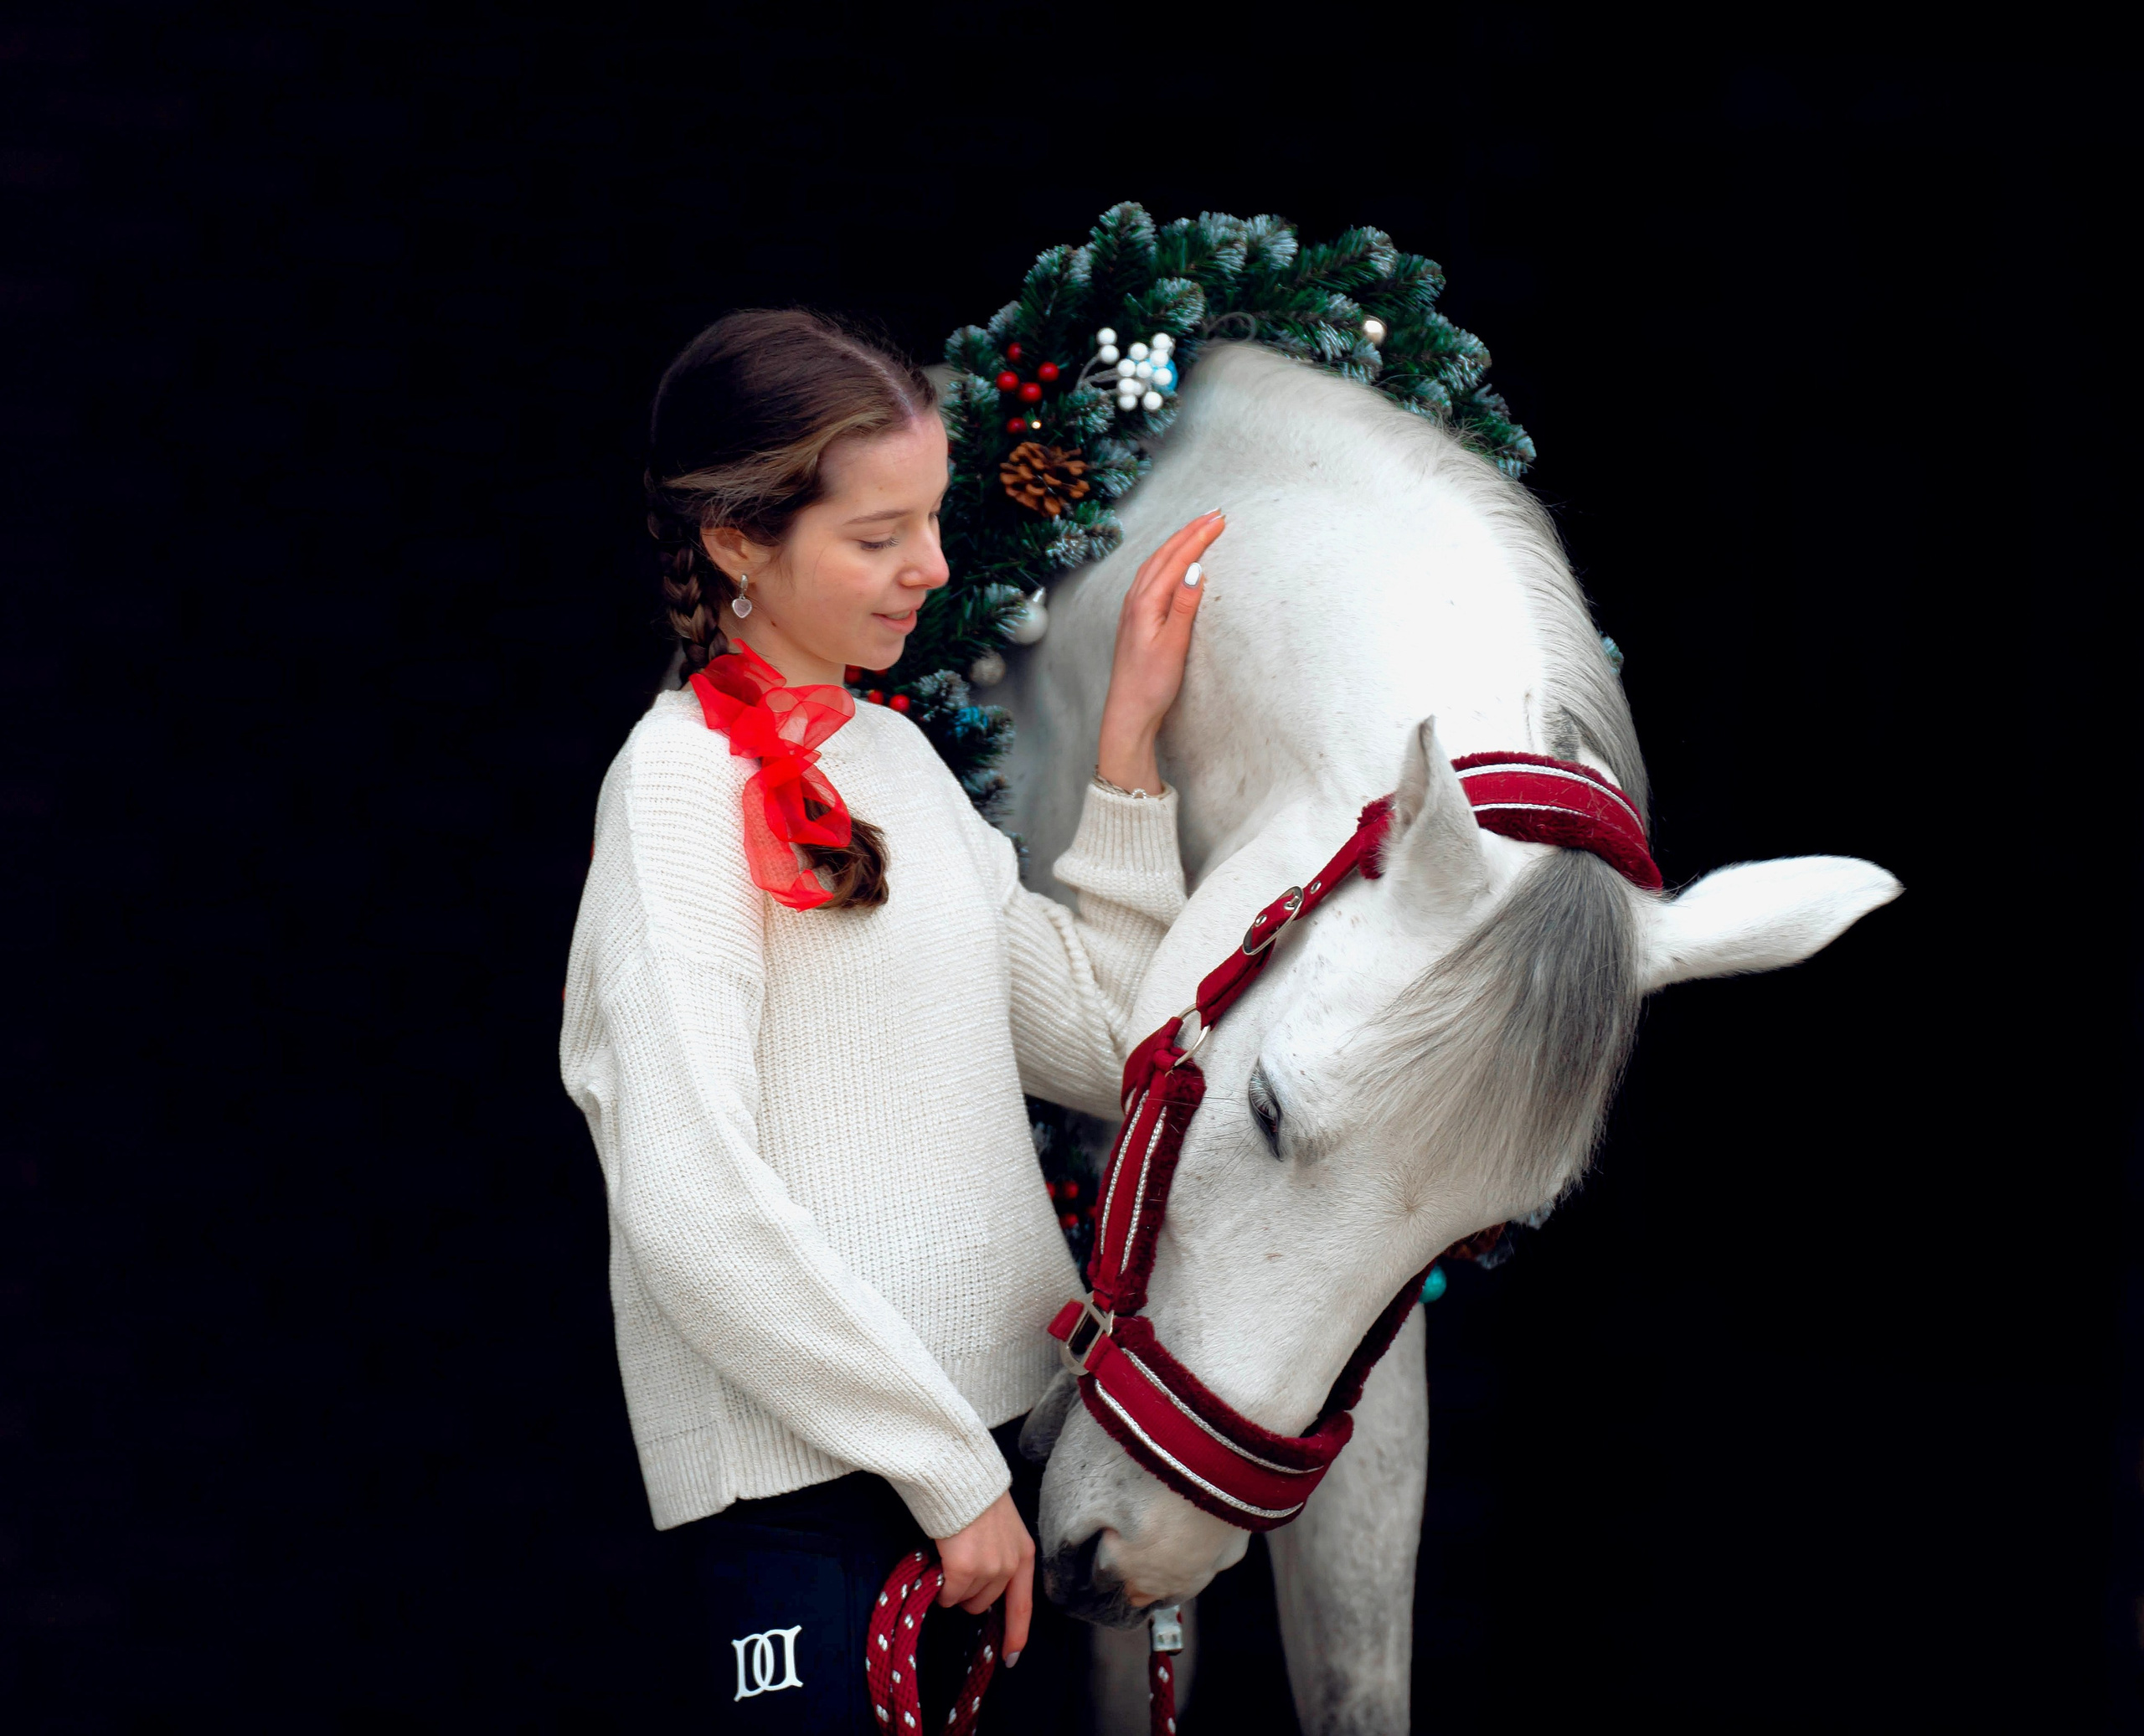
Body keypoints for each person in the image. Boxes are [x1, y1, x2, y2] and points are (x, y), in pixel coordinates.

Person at [559, 307, 1222, 1730]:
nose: (928, 568)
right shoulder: (668, 792)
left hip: (998, 1470)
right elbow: (687, 1195)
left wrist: (1126, 757)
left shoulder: (898, 757)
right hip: (811, 1505)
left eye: (931, 519)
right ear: (737, 539)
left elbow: (1114, 1047)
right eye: (877, 535)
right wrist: (943, 1469)